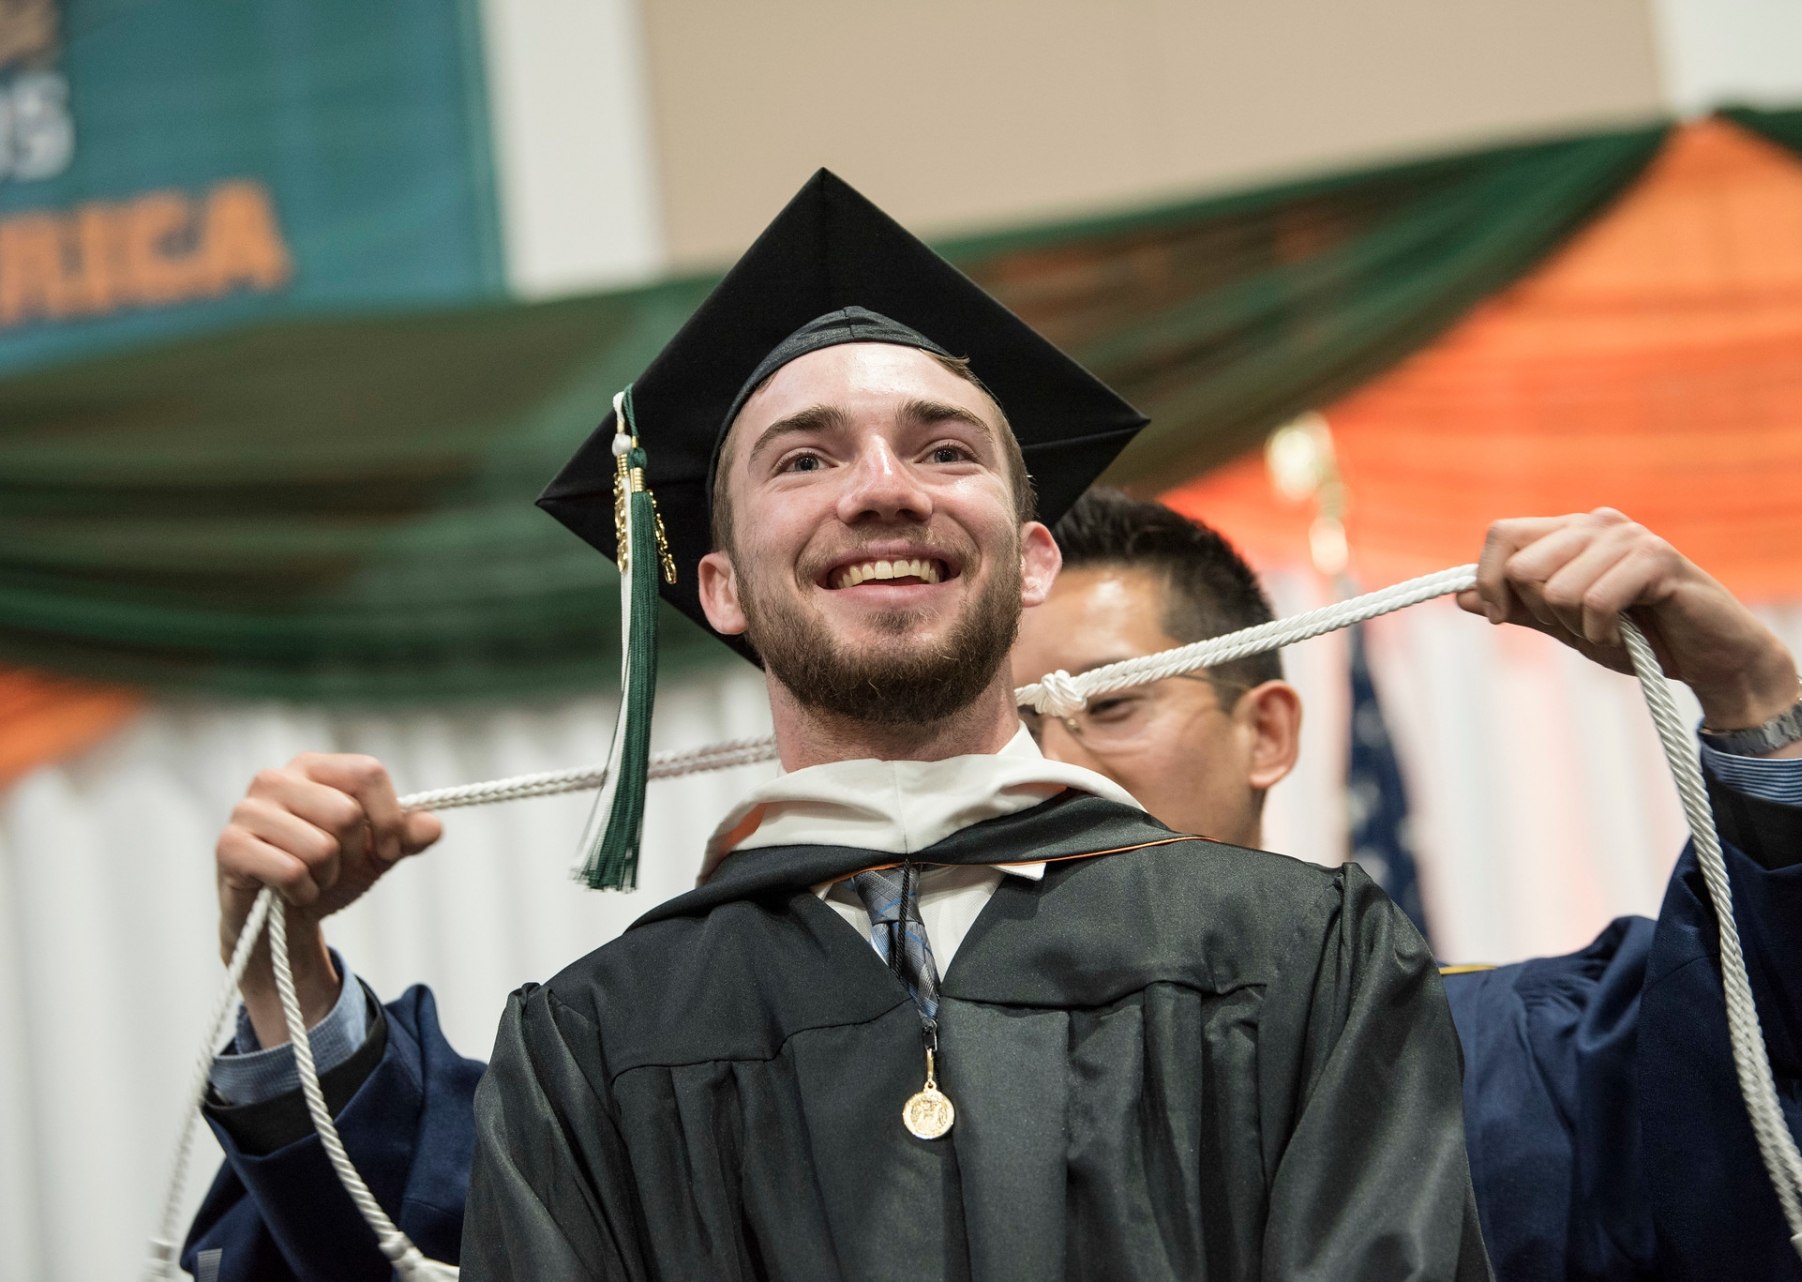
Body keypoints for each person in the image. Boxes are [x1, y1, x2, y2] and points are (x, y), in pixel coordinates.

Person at [186, 170, 1489, 1281]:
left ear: (1030, 558)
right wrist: (283, 969)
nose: (881, 490)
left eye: (943, 449)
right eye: (804, 459)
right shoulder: (596, 1043)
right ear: (718, 586)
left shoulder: (1301, 950)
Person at [1015, 488, 1802, 1281]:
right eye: (1008, 731)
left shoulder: (1519, 1057)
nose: (1050, 765)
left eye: (1110, 703)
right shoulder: (930, 1093)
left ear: (1267, 734)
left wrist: (1751, 693)